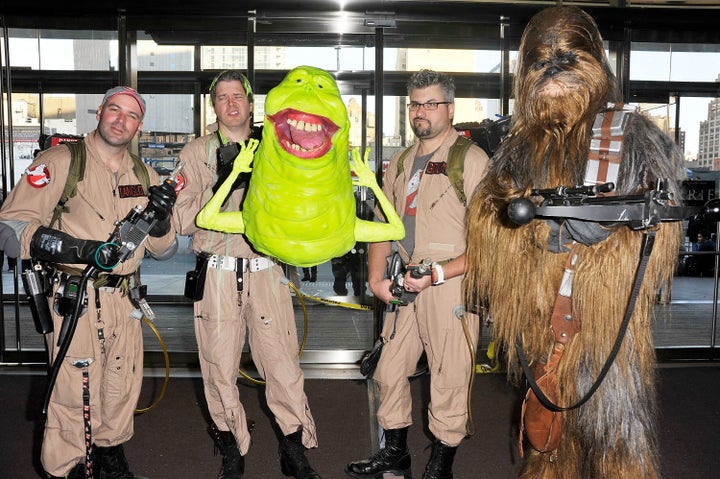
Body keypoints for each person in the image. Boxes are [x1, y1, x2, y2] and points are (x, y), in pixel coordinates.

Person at [0, 86, 178, 479]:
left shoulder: (145, 174)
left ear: (139, 125)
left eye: (131, 115)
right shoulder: (60, 162)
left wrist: (162, 220)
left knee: (120, 384)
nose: (121, 120)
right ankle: (63, 468)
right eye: (114, 110)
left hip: (125, 302)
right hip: (76, 299)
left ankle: (110, 458)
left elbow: (164, 250)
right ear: (99, 112)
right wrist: (77, 248)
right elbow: (11, 226)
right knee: (73, 390)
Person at [172, 70, 321, 479]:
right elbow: (184, 219)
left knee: (283, 365)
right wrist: (225, 179)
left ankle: (294, 448)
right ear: (213, 105)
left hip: (267, 271)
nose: (231, 104)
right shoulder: (196, 152)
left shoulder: (276, 147)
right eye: (222, 97)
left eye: (238, 96)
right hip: (218, 274)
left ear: (251, 102)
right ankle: (233, 449)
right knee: (217, 367)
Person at [345, 69, 489, 479]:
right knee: (388, 369)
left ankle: (440, 466)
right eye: (415, 104)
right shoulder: (403, 162)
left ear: (450, 108)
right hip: (402, 281)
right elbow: (381, 226)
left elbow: (491, 243)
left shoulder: (471, 160)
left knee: (448, 377)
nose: (421, 112)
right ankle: (395, 452)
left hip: (450, 286)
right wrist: (376, 280)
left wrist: (440, 273)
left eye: (430, 103)